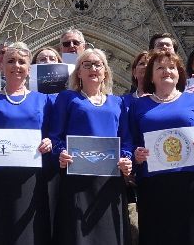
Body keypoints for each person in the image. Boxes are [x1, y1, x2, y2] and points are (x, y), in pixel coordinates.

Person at [126, 49, 194, 245]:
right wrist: (135, 154)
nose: (167, 71)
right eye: (160, 68)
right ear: (151, 75)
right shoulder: (138, 106)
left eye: (172, 67)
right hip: (154, 184)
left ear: (179, 74)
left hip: (192, 180)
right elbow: (129, 140)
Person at [0, 42, 53, 245]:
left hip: (30, 180)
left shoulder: (43, 101)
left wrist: (50, 142)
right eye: (10, 61)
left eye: (21, 62)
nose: (16, 66)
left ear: (29, 68)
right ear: (2, 66)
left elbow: (54, 135)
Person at [49, 49, 132, 245]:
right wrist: (61, 153)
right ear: (79, 72)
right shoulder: (68, 98)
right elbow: (55, 136)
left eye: (98, 64)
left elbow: (126, 139)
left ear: (105, 72)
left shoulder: (118, 102)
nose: (93, 68)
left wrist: (125, 158)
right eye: (87, 65)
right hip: (77, 179)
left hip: (109, 180)